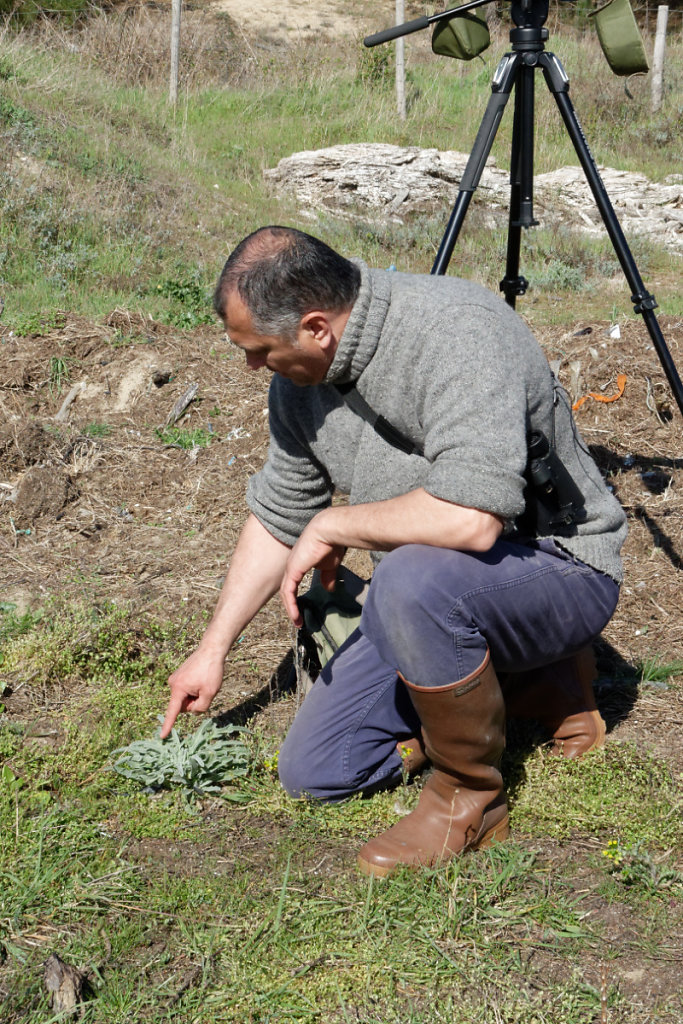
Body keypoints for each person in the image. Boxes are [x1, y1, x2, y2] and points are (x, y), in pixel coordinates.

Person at [161, 226, 627, 877]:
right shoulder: (299, 384)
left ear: (316, 326)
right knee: (316, 770)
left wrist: (333, 526)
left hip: (557, 566)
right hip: (429, 596)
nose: (250, 366)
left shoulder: (454, 332)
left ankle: (469, 796)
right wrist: (210, 653)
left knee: (408, 577)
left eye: (257, 350)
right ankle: (523, 689)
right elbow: (277, 517)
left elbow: (471, 517)